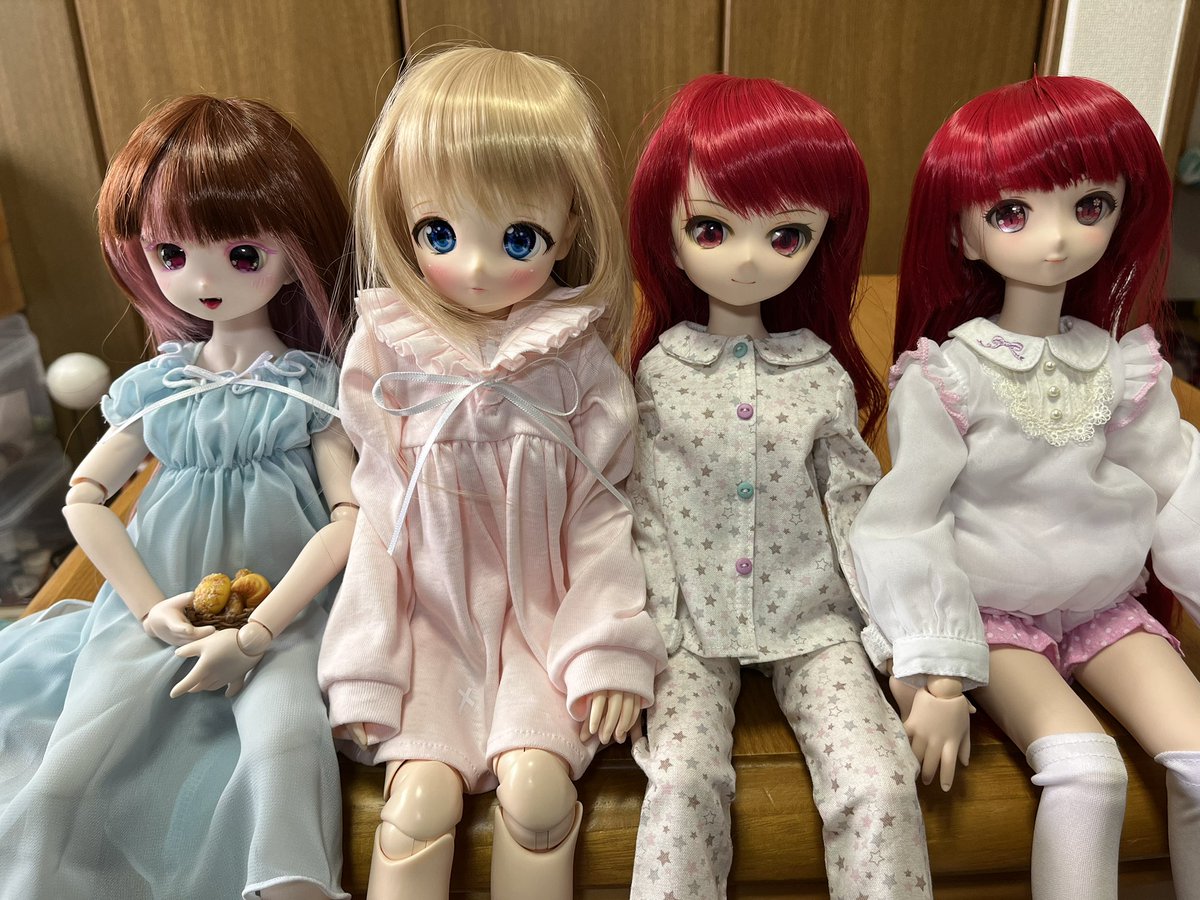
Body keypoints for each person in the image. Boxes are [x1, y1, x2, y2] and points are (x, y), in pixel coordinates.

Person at [317, 47, 666, 900]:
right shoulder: (389, 352)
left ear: (568, 231)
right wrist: (364, 662)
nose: (475, 268)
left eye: (517, 239)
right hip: (431, 621)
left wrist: (607, 650)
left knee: (539, 798)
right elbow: (379, 512)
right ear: (401, 221)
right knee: (418, 805)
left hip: (542, 623)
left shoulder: (576, 361)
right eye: (439, 234)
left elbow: (600, 517)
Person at [850, 75, 1200, 899]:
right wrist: (936, 666)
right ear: (964, 235)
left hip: (1107, 609)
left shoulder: (1124, 364)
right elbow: (905, 519)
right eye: (1012, 213)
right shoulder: (948, 374)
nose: (1057, 237)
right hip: (995, 615)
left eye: (1090, 206)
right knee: (1087, 771)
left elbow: (1177, 484)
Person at [0, 95, 356, 900]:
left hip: (289, 618)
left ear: (295, 251)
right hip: (155, 608)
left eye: (242, 253)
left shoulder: (311, 389)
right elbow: (85, 495)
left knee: (284, 749)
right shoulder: (159, 388)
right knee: (67, 772)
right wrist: (148, 607)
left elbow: (349, 519)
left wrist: (261, 630)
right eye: (169, 252)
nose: (200, 280)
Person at [626, 73, 931, 900]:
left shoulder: (820, 374)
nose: (749, 258)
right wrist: (647, 633)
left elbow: (858, 510)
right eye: (711, 228)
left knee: (878, 782)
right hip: (691, 627)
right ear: (669, 236)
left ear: (820, 240)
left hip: (814, 621)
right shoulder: (655, 376)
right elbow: (638, 511)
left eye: (786, 234)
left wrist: (904, 648)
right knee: (682, 781)